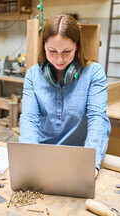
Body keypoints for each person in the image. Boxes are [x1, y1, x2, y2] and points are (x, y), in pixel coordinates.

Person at [19, 14, 111, 177]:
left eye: (66, 51)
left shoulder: (94, 74)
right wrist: (29, 158)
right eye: (52, 51)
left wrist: (92, 163)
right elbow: (29, 119)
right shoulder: (33, 75)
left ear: (77, 47)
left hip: (77, 160)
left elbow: (98, 119)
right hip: (41, 156)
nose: (59, 59)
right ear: (44, 46)